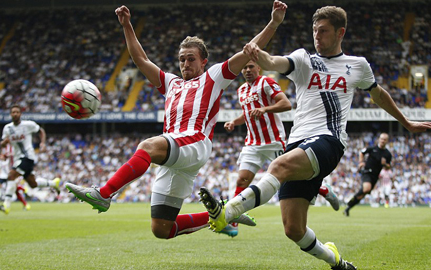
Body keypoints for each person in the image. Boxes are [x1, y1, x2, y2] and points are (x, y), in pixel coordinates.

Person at [199, 5, 431, 270]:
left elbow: (378, 94)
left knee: (277, 166)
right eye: (314, 31)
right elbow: (271, 62)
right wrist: (264, 42)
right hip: (297, 141)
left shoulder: (357, 66)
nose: (317, 36)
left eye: (323, 31)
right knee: (293, 229)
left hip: (329, 140)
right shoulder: (304, 59)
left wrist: (406, 122)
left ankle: (226, 213)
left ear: (340, 33)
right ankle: (337, 261)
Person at [65, 1, 288, 240]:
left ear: (204, 61)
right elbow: (141, 60)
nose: (185, 64)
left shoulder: (214, 77)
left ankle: (105, 194)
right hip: (176, 153)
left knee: (148, 146)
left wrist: (274, 23)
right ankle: (225, 214)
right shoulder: (171, 83)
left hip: (194, 142)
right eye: (182, 59)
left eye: (191, 59)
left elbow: (248, 52)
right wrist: (127, 25)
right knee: (162, 228)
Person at [221, 60, 339, 237]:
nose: (247, 70)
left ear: (258, 67)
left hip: (274, 141)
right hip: (252, 143)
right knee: (241, 180)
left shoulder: (267, 82)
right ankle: (234, 223)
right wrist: (234, 122)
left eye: (250, 66)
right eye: (244, 67)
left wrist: (265, 109)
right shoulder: (241, 90)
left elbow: (286, 104)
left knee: (289, 177)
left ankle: (323, 188)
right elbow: (247, 113)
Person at [0, 105, 60, 214]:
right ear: (10, 114)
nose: (15, 114)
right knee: (32, 184)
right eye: (13, 112)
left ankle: (6, 205)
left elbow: (41, 130)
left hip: (28, 157)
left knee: (11, 176)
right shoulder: (7, 128)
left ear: (20, 114)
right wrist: (4, 144)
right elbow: (3, 143)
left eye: (17, 112)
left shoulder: (28, 125)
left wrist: (42, 143)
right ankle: (53, 183)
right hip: (17, 158)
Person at [343, 133, 392, 215]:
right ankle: (349, 200)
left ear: (387, 141)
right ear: (379, 139)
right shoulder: (372, 148)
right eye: (381, 139)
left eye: (385, 139)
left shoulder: (387, 154)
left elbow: (388, 166)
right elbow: (361, 152)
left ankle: (348, 207)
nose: (383, 140)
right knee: (366, 189)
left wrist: (385, 164)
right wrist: (361, 162)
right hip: (367, 171)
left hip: (375, 176)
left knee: (363, 194)